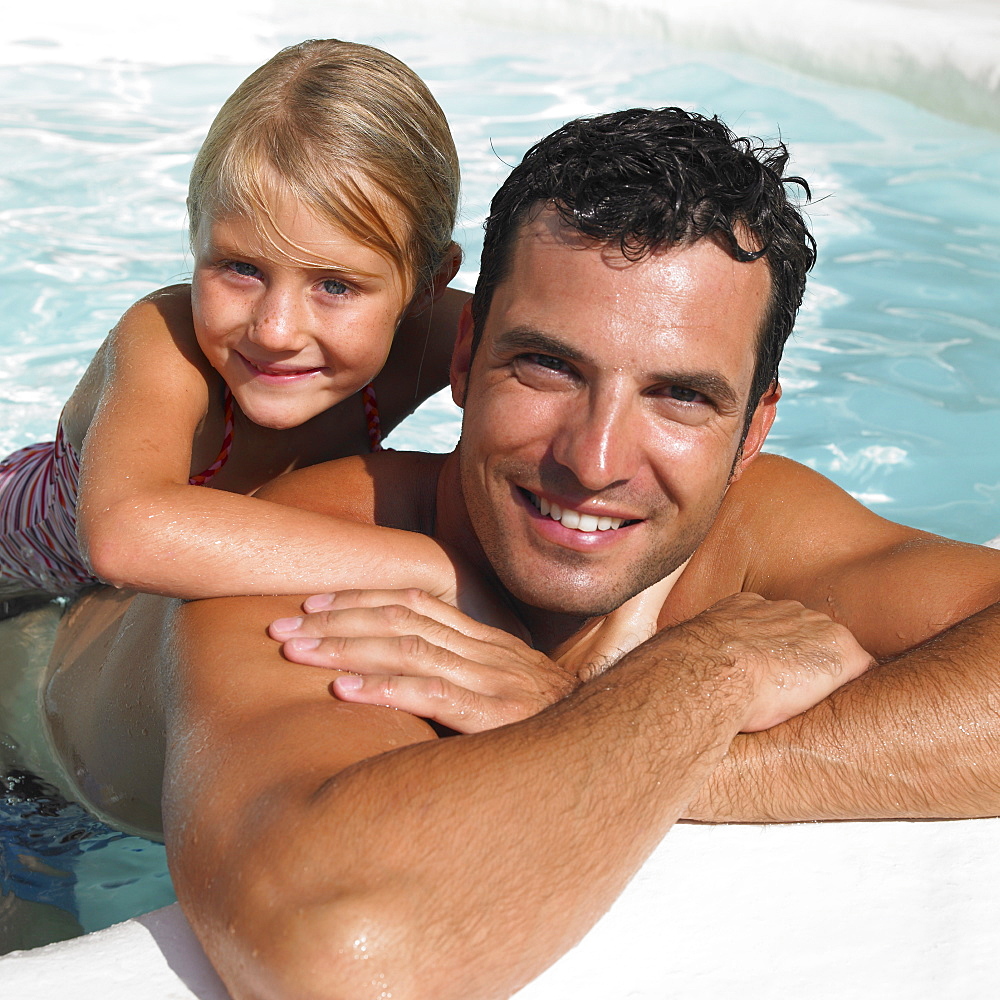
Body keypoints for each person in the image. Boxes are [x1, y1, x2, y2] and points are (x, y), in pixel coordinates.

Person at [28, 108, 1000, 997]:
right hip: (31, 790)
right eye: (546, 366)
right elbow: (338, 953)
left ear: (752, 431)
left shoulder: (754, 525)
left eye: (681, 396)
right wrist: (708, 674)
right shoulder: (321, 558)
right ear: (461, 360)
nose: (594, 460)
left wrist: (621, 728)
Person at [0, 38, 473, 608]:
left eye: (335, 286)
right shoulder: (163, 340)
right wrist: (434, 568)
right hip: (21, 560)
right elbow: (124, 536)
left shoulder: (447, 336)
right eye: (241, 268)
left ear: (427, 285)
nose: (275, 332)